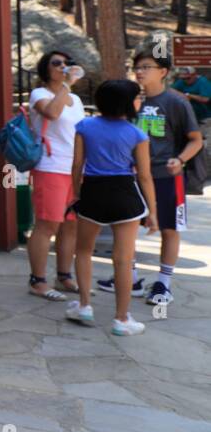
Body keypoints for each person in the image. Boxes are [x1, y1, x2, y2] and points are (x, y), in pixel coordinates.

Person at [96, 51, 202, 306]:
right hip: (131, 177)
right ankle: (129, 278)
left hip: (166, 176)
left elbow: (196, 140)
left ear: (163, 71)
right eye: (137, 67)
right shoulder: (131, 101)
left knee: (170, 228)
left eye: (146, 67)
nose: (139, 72)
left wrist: (180, 159)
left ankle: (163, 284)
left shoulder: (176, 102)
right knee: (126, 227)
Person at [64, 79, 158, 336]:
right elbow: (145, 177)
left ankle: (84, 306)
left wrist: (76, 194)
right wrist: (153, 212)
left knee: (83, 251)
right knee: (124, 260)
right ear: (128, 103)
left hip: (93, 192)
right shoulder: (137, 134)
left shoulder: (84, 126)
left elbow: (77, 165)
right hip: (125, 194)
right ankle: (121, 319)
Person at [25, 51, 86, 300]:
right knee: (47, 224)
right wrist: (67, 84)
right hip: (50, 167)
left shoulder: (76, 99)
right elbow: (51, 113)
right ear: (45, 69)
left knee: (71, 225)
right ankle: (37, 280)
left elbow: (80, 132)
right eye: (56, 63)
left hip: (75, 169)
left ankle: (64, 276)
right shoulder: (40, 94)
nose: (63, 67)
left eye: (67, 63)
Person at [171, 64, 211, 165]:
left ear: (194, 75)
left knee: (203, 142)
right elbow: (170, 90)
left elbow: (205, 98)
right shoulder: (182, 82)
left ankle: (206, 165)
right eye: (183, 79)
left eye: (188, 78)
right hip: (189, 117)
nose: (185, 81)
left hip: (204, 117)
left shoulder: (202, 82)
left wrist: (189, 96)